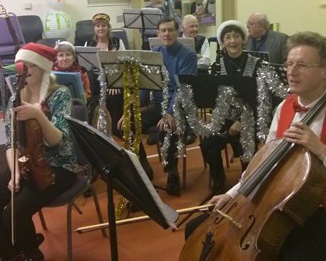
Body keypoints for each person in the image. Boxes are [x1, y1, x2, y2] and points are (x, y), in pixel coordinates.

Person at [206, 31, 326, 260]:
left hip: (325, 215)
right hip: (278, 206)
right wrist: (234, 193)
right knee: (205, 234)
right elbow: (264, 162)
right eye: (289, 64)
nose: (291, 72)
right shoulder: (284, 108)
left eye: (302, 65)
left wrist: (323, 152)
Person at [0, 43, 77, 261]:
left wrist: (38, 115)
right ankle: (13, 254)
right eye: (23, 66)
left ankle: (32, 254)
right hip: (26, 163)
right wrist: (14, 173)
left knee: (13, 213)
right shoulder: (16, 98)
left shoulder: (60, 94)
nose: (25, 71)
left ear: (43, 69)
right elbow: (10, 141)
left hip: (59, 166)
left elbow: (58, 140)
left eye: (32, 66)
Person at [120, 17, 197, 195]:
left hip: (179, 107)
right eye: (163, 30)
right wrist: (130, 110)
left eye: (170, 30)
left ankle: (172, 173)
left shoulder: (188, 56)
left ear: (177, 32)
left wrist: (170, 113)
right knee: (127, 125)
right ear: (157, 33)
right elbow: (144, 88)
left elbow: (182, 89)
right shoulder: (152, 54)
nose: (166, 34)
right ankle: (144, 166)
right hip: (157, 105)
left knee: (167, 129)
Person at [201, 20, 266, 194]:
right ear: (223, 43)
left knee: (247, 144)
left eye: (236, 36)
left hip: (249, 118)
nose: (232, 41)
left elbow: (260, 98)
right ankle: (219, 182)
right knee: (208, 144)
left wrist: (241, 121)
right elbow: (215, 99)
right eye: (227, 37)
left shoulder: (256, 64)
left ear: (243, 40)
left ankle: (248, 183)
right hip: (224, 118)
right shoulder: (217, 66)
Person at [84, 12, 125, 134]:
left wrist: (114, 83)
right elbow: (86, 67)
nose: (101, 28)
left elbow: (123, 66)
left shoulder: (117, 42)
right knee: (91, 99)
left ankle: (116, 128)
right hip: (95, 81)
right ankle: (95, 129)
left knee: (114, 96)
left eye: (103, 25)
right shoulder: (89, 44)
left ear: (108, 28)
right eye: (98, 26)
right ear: (94, 28)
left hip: (114, 79)